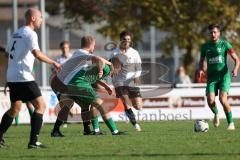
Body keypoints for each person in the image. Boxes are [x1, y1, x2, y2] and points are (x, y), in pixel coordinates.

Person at [0, 8, 61, 149]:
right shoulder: (31, 34)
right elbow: (37, 54)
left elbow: (8, 55)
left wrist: (9, 78)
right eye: (40, 17)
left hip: (13, 76)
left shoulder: (16, 33)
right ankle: (34, 141)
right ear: (33, 18)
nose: (41, 20)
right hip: (24, 76)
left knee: (15, 108)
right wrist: (53, 62)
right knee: (41, 106)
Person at [51, 36, 125, 135]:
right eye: (119, 70)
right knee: (101, 104)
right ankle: (114, 131)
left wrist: (105, 85)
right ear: (91, 45)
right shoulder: (87, 56)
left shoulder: (79, 54)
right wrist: (104, 67)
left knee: (83, 105)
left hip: (68, 84)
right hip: (75, 84)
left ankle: (83, 130)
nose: (118, 73)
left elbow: (90, 76)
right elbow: (99, 60)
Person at [199, 24, 239, 130]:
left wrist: (235, 69)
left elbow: (237, 59)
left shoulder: (225, 45)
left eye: (215, 32)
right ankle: (216, 113)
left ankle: (231, 124)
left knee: (222, 99)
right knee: (211, 100)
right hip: (211, 78)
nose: (213, 34)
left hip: (223, 77)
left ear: (219, 33)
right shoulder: (205, 47)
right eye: (211, 32)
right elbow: (201, 60)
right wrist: (200, 69)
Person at [110, 30, 142, 131]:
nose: (126, 41)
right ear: (120, 40)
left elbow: (139, 67)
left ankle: (127, 111)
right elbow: (110, 66)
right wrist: (113, 69)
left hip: (132, 81)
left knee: (138, 106)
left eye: (128, 40)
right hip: (119, 81)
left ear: (130, 41)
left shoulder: (134, 52)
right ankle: (135, 124)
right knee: (126, 102)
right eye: (124, 39)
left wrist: (136, 76)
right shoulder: (115, 53)